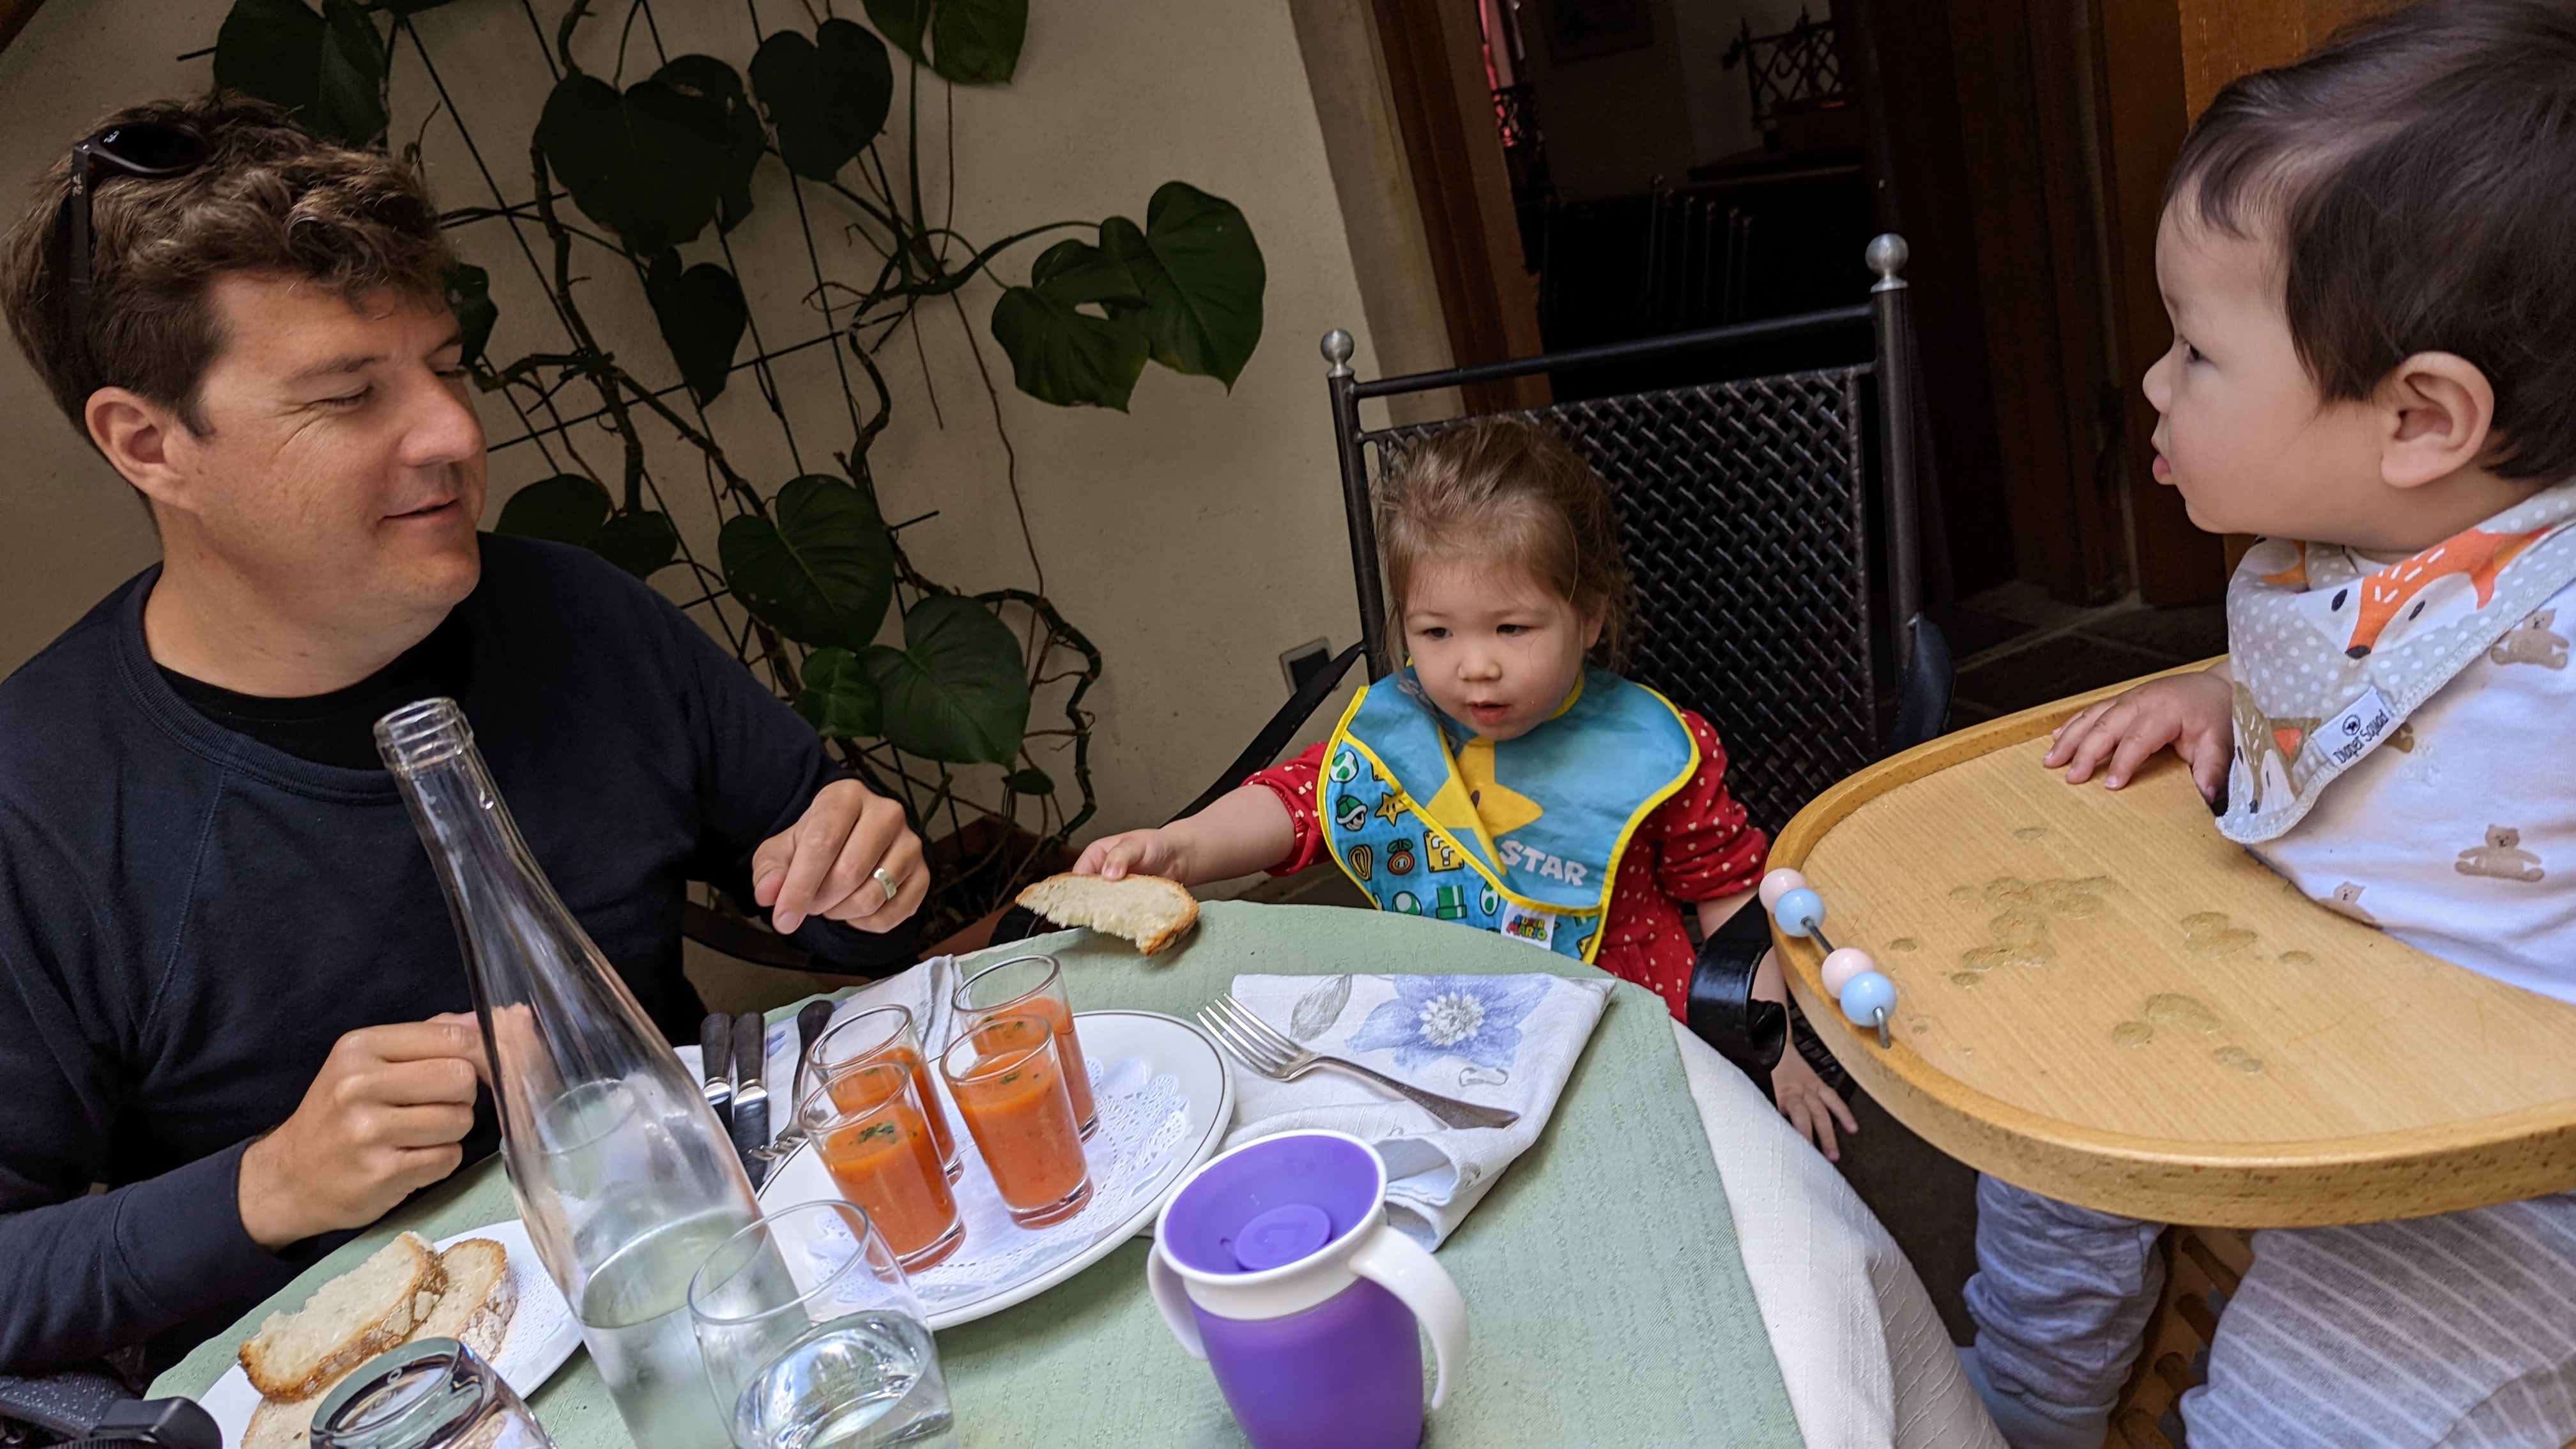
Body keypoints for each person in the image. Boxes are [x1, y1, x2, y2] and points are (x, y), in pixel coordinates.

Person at [0, 95, 930, 1378]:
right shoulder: (36, 807)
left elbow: (838, 898)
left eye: (444, 367)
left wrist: (860, 874)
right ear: (149, 443)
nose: (451, 433)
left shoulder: (576, 613)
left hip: (716, 1299)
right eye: (347, 395)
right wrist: (268, 1186)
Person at [1961, 4, 2576, 1444]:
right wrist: (2231, 692)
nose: (2154, 383)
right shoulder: (2362, 557)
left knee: (2313, 1400)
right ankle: (2024, 1403)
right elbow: (2392, 688)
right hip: (2292, 1030)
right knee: (2052, 1114)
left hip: (2502, 1166)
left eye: (2195, 350)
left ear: (2418, 420)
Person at [1073, 417, 1858, 1156]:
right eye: (1436, 632)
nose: (1474, 666)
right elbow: (1298, 802)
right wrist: (1180, 848)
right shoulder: (1401, 731)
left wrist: (1774, 1050)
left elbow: (1730, 899)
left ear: (1589, 618)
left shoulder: (1656, 749)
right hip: (1440, 1039)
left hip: (1634, 1030)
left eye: (1511, 628)